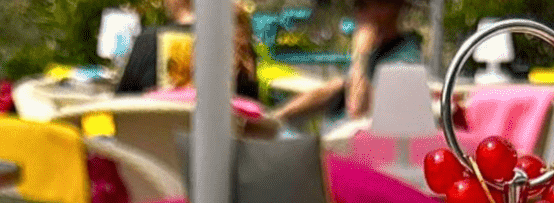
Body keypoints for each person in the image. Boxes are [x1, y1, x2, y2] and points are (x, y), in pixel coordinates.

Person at [272, 0, 422, 127]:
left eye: (362, 6)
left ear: (389, 9)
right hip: (333, 139)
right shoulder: (376, 51)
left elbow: (358, 111)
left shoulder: (404, 56)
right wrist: (278, 116)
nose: (357, 14)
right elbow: (337, 87)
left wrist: (361, 54)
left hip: (356, 150)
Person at [116, 0, 259, 100]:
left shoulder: (146, 42)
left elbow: (120, 106)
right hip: (221, 142)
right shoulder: (237, 43)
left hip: (152, 141)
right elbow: (252, 114)